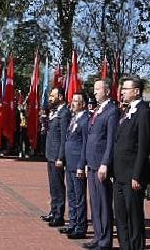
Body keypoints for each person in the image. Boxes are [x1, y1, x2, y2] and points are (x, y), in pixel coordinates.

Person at [112, 77, 150, 250]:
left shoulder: (144, 112)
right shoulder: (126, 112)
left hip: (132, 176)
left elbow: (144, 146)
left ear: (136, 91)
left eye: (126, 89)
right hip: (120, 173)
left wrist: (137, 175)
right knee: (120, 215)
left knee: (134, 216)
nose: (122, 92)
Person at [83, 78, 118, 250]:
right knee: (94, 202)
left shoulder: (112, 111)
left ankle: (105, 241)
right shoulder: (98, 111)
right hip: (92, 164)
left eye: (98, 89)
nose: (95, 92)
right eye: (94, 89)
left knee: (104, 203)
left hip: (101, 165)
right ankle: (98, 236)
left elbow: (111, 141)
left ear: (107, 91)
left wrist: (105, 163)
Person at [59, 92, 90, 239]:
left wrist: (81, 164)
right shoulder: (74, 118)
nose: (73, 103)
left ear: (83, 103)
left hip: (77, 163)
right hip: (69, 163)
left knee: (79, 197)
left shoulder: (85, 119)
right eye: (72, 100)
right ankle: (72, 223)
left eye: (76, 101)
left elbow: (85, 144)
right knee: (71, 196)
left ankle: (81, 226)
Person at [40, 87, 70, 227]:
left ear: (61, 97)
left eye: (53, 95)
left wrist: (61, 157)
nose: (50, 97)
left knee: (58, 185)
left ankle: (59, 214)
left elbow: (64, 136)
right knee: (53, 186)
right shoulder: (54, 111)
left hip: (57, 154)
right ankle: (53, 211)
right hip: (50, 153)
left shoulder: (64, 113)